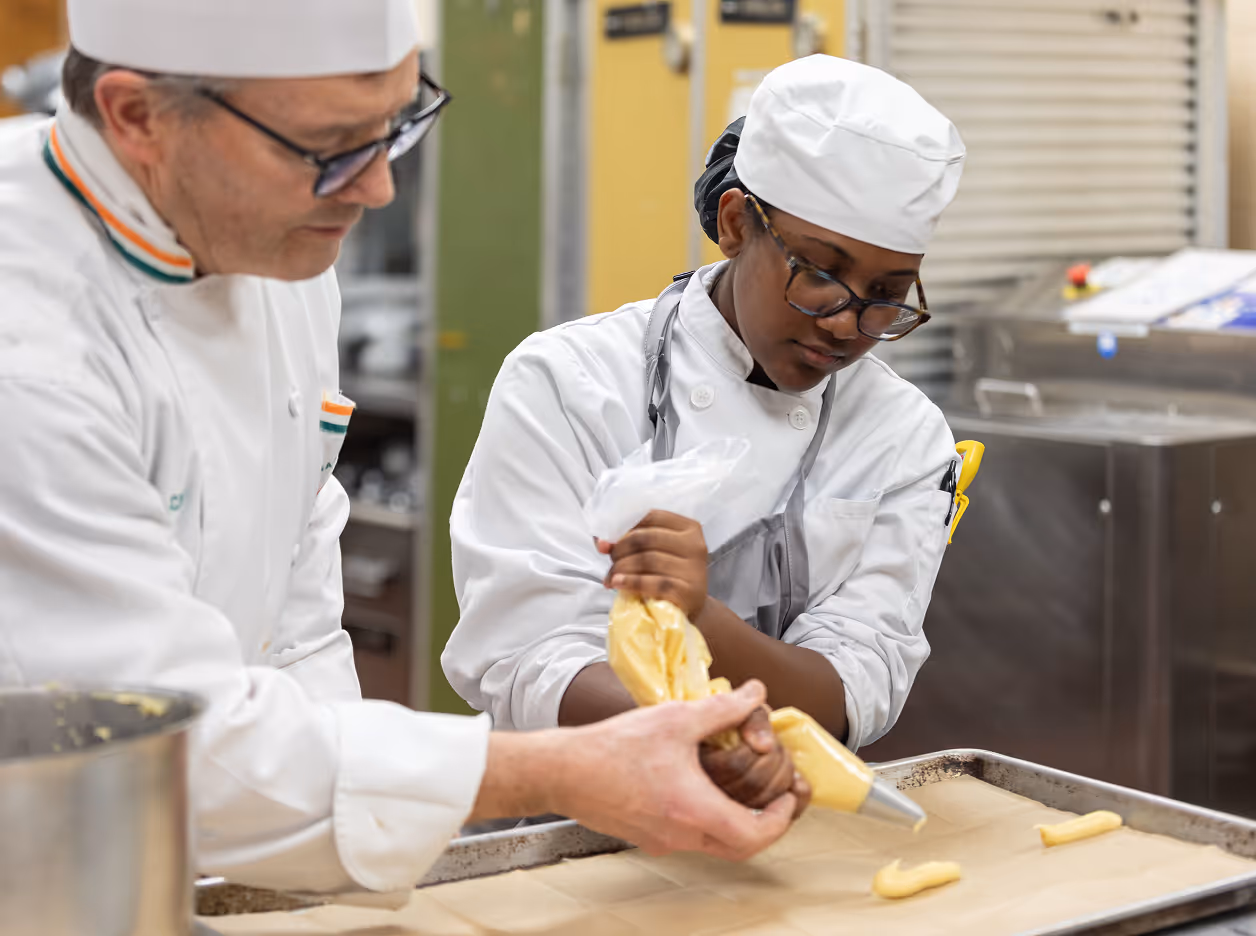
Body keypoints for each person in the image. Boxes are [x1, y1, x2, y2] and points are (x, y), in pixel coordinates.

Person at [0, 0, 803, 895]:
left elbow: (293, 621)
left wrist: (317, 886)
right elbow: (152, 738)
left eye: (396, 124)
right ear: (137, 115)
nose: (377, 187)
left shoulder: (271, 243)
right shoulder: (29, 347)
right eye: (331, 148)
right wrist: (561, 771)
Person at [444, 56, 967, 769]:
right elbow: (524, 655)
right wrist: (702, 747)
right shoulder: (570, 382)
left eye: (887, 292)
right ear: (735, 224)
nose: (848, 324)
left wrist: (707, 625)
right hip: (574, 811)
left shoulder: (903, 436)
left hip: (783, 810)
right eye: (819, 274)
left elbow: (859, 680)